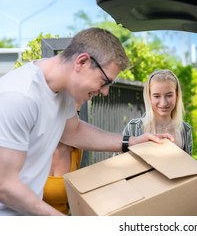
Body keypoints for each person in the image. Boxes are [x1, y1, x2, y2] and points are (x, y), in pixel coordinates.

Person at [0, 27, 173, 216]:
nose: (105, 92)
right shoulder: (19, 96)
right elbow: (5, 186)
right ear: (82, 62)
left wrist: (132, 142)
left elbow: (74, 131)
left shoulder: (61, 90)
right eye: (104, 81)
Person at [123, 69, 193, 155]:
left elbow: (188, 165)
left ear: (177, 95)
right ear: (149, 96)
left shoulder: (185, 130)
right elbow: (118, 162)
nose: (163, 103)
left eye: (169, 95)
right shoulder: (134, 127)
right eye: (156, 96)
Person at [42, 104, 83, 215]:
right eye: (69, 114)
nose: (75, 120)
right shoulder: (31, 148)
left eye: (77, 113)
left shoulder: (76, 150)